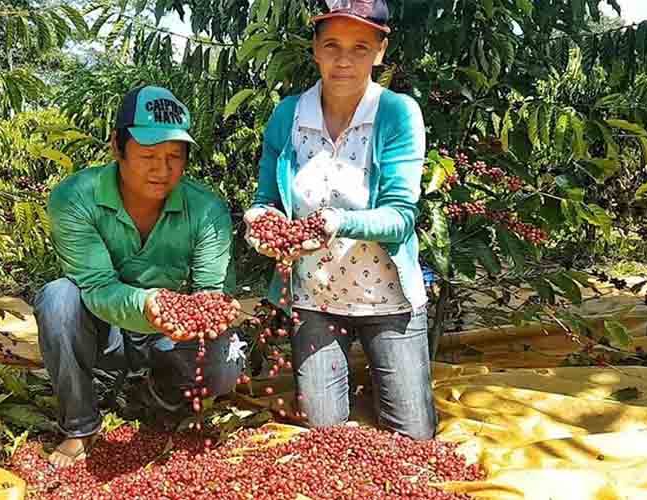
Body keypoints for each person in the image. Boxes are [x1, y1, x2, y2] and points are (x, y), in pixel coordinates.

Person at [243, 0, 437, 440]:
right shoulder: (288, 115)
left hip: (386, 300)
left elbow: (400, 217)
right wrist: (261, 223)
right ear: (314, 48)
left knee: (414, 437)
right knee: (322, 436)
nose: (344, 60)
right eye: (331, 44)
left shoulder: (397, 114)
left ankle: (382, 387)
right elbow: (267, 200)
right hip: (314, 300)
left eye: (360, 47)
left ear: (380, 51)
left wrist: (335, 222)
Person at [35, 85, 245, 467]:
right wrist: (149, 304)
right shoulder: (75, 197)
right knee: (58, 297)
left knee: (224, 362)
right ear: (117, 146)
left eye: (173, 157)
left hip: (169, 336)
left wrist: (211, 310)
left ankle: (159, 393)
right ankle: (81, 423)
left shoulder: (206, 207)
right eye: (148, 155)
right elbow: (96, 287)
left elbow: (210, 291)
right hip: (108, 330)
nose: (161, 171)